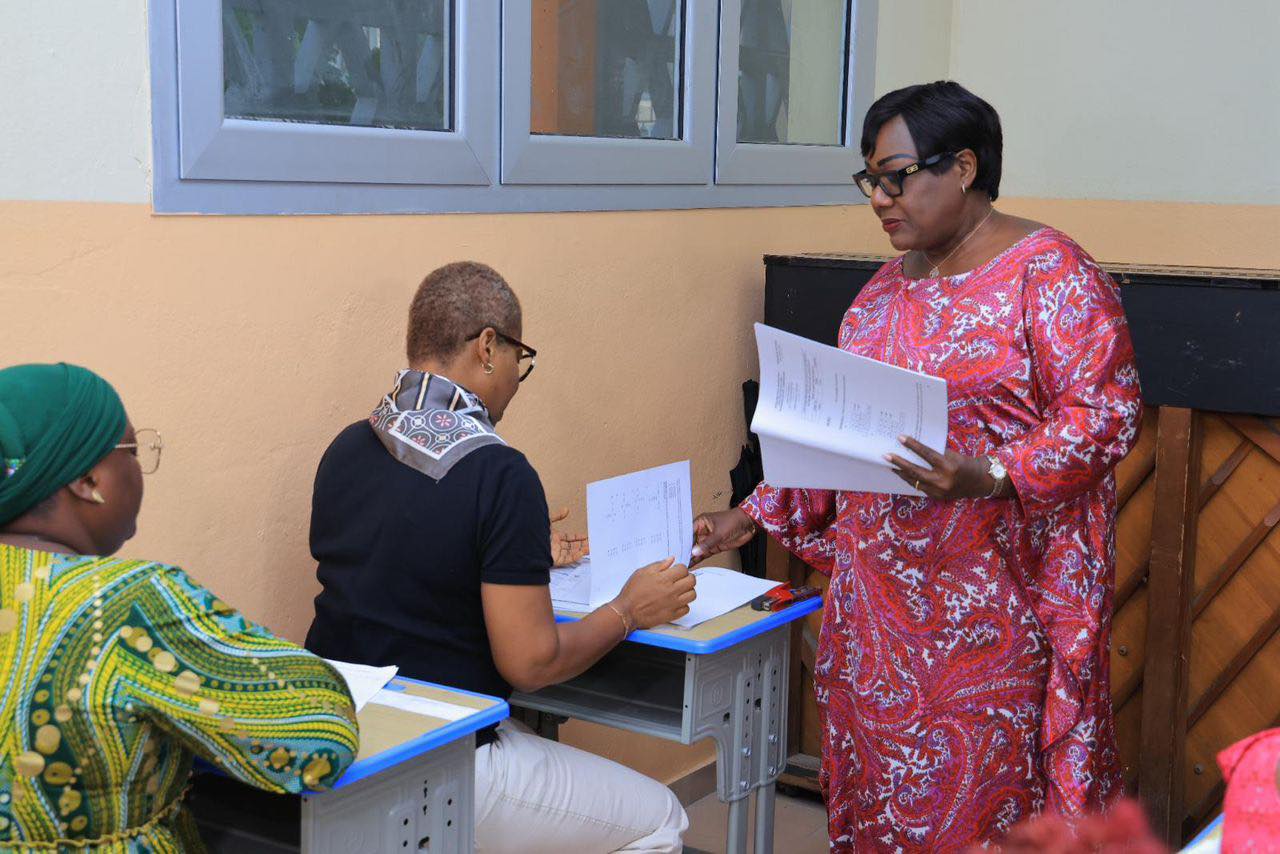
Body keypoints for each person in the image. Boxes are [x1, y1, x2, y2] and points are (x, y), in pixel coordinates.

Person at [693, 81, 1143, 851]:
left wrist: (988, 473)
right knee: (879, 801)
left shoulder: (1051, 273)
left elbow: (1107, 414)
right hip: (880, 620)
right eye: (872, 179)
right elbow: (838, 438)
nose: (880, 199)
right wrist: (748, 514)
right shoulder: (877, 297)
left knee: (981, 806)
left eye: (897, 176)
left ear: (964, 167)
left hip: (993, 611)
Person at [304, 261, 694, 854]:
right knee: (662, 817)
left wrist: (518, 554)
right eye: (520, 358)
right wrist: (629, 609)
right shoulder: (499, 472)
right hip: (441, 759)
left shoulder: (348, 446)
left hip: (341, 733)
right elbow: (531, 666)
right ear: (488, 347)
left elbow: (407, 559)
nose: (517, 378)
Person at [0, 363, 359, 851]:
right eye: (131, 450)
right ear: (87, 479)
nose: (140, 468)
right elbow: (318, 737)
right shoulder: (126, 604)